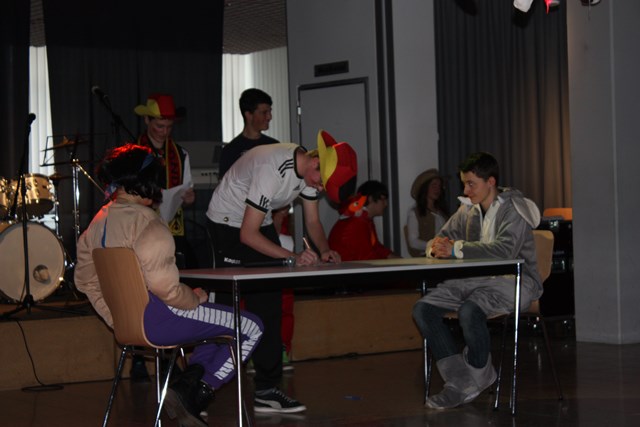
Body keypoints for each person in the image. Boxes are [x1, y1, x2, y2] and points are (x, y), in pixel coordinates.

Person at [74, 144, 264, 427]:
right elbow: (166, 290)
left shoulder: (97, 223)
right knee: (251, 327)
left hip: (130, 323)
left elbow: (85, 281)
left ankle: (188, 382)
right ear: (149, 181)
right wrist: (194, 298)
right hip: (161, 317)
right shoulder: (148, 223)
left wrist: (116, 317)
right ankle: (198, 391)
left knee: (216, 327)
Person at [205, 129, 357, 414]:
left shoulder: (310, 174)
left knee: (270, 304)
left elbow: (313, 222)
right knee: (223, 309)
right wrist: (293, 257)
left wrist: (325, 249)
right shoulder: (272, 168)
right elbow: (247, 236)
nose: (319, 189)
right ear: (315, 163)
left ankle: (267, 390)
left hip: (257, 223)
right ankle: (196, 386)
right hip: (226, 224)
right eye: (321, 183)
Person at [411, 152, 542, 410]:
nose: (465, 190)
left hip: (514, 281)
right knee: (423, 309)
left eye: (471, 184)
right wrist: (436, 246)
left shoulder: (514, 209)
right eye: (464, 184)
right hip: (475, 280)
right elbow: (442, 237)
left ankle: (473, 377)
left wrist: (456, 249)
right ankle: (462, 382)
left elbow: (505, 251)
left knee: (470, 311)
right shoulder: (468, 209)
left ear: (490, 182)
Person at [328, 180, 400, 261]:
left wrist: (397, 260)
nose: (386, 204)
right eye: (383, 199)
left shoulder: (364, 219)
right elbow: (367, 258)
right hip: (346, 267)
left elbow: (376, 247)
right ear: (370, 199)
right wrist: (395, 263)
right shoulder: (357, 222)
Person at [218, 88, 279, 179]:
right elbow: (225, 185)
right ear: (249, 115)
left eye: (270, 111)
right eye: (264, 112)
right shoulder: (231, 151)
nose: (269, 117)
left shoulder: (274, 146)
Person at [406, 169, 449, 257]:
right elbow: (413, 242)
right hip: (425, 257)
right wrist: (433, 245)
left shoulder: (442, 213)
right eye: (433, 185)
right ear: (425, 188)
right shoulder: (414, 213)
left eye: (439, 186)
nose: (437, 189)